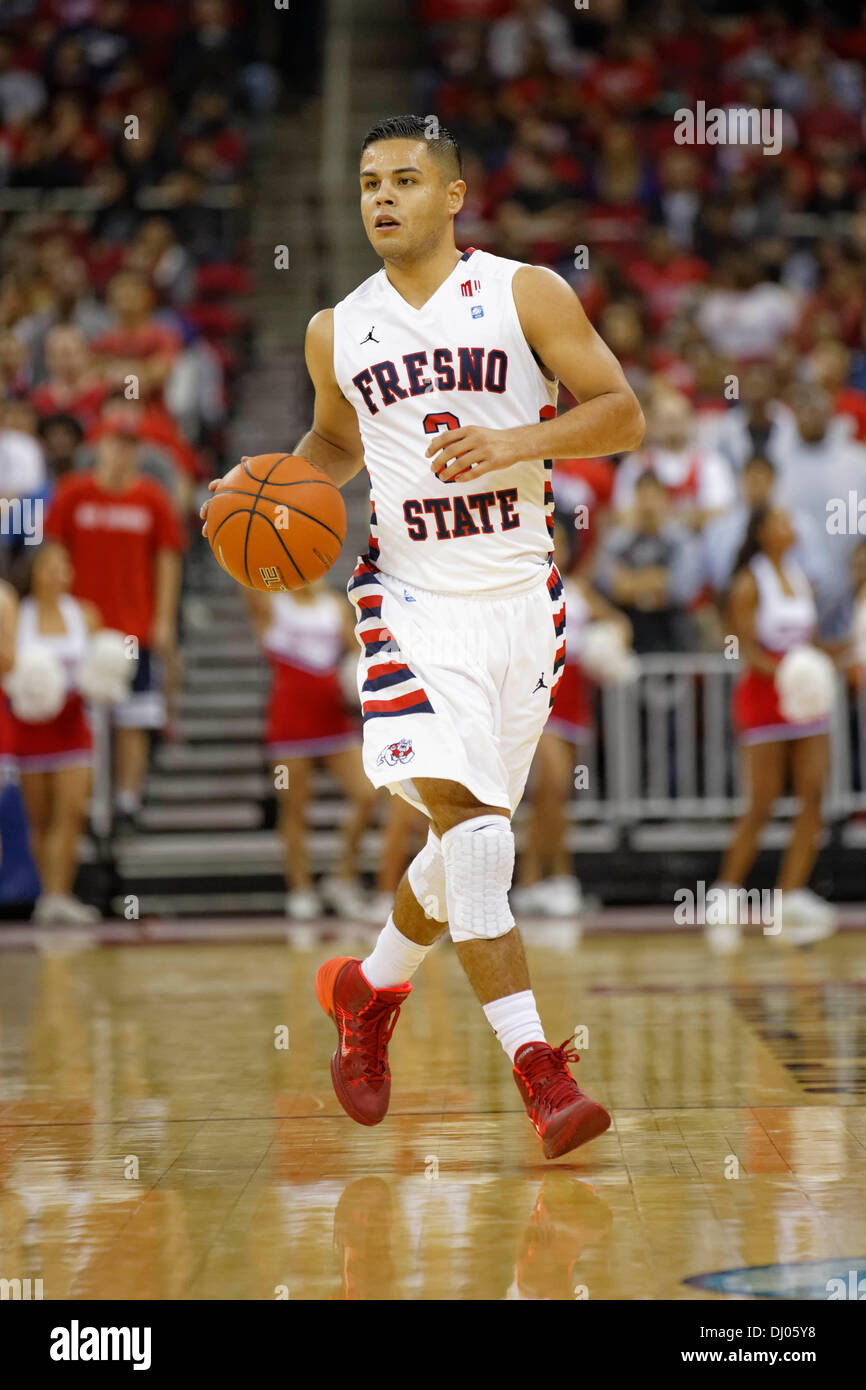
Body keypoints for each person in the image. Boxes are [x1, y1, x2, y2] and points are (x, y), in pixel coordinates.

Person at [203, 114, 646, 1159]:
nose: (381, 198)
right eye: (367, 183)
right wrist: (273, 490)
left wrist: (518, 438)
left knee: (464, 852)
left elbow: (621, 414)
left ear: (453, 196)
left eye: (404, 179)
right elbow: (332, 440)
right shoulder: (335, 327)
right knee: (480, 837)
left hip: (519, 604)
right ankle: (540, 1075)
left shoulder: (523, 291)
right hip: (406, 602)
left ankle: (367, 991)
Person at [711, 505, 842, 953]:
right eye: (783, 520)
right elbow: (744, 649)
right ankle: (725, 892)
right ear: (763, 532)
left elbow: (811, 642)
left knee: (813, 793)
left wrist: (834, 659)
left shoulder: (801, 578)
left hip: (805, 699)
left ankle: (790, 894)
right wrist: (789, 671)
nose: (792, 527)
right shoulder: (751, 581)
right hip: (766, 697)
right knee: (763, 801)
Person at [44, 411, 183, 833]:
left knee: (133, 719)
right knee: (81, 721)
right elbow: (51, 554)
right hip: (80, 630)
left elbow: (167, 561)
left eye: (129, 444)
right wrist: (58, 613)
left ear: (138, 451)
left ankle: (126, 800)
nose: (121, 451)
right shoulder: (73, 494)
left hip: (133, 629)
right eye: (113, 442)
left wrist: (163, 619)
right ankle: (85, 802)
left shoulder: (152, 499)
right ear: (99, 446)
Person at [511, 512, 632, 919]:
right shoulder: (523, 588)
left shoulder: (578, 588)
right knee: (555, 784)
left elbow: (619, 621)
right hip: (538, 703)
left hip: (574, 704)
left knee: (555, 797)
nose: (554, 545)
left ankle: (550, 879)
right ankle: (539, 880)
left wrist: (611, 642)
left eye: (560, 538)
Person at [244, 582, 377, 922]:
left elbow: (357, 653)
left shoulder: (334, 606)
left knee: (367, 793)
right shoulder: (272, 603)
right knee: (294, 808)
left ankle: (342, 876)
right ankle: (300, 889)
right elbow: (246, 583)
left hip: (332, 720)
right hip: (287, 726)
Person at [6, 543, 102, 924]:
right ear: (35, 573)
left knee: (73, 812)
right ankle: (48, 894)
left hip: (73, 727)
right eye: (50, 568)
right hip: (30, 729)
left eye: (64, 567)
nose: (58, 575)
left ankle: (62, 894)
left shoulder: (85, 614)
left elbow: (100, 666)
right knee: (41, 819)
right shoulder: (18, 615)